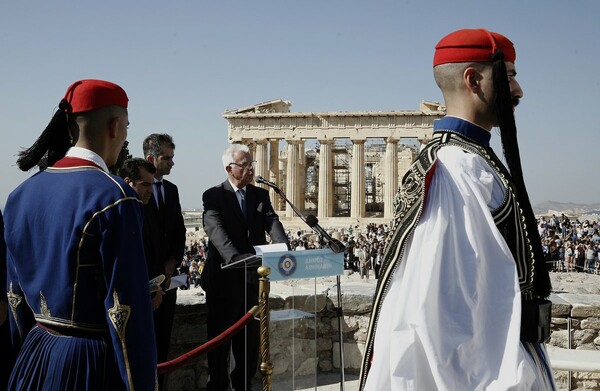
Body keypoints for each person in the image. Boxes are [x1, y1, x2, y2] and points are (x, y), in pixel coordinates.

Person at [359, 29, 555, 390]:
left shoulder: (469, 160)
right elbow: (445, 321)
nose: (519, 89)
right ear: (473, 79)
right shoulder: (456, 170)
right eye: (509, 75)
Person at [4, 79, 157, 389]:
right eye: (127, 126)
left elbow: (14, 298)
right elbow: (125, 313)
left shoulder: (20, 194)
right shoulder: (115, 198)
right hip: (89, 364)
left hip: (34, 357)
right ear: (115, 126)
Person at [201, 143, 289, 391]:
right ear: (230, 168)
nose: (251, 169)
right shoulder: (213, 196)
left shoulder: (260, 195)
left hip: (253, 283)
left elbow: (273, 223)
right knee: (218, 350)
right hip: (223, 283)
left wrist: (284, 248)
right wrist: (235, 258)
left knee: (249, 350)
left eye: (252, 164)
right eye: (245, 164)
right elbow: (216, 232)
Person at [142, 133, 186, 389]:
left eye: (172, 157)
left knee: (163, 345)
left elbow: (178, 231)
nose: (172, 163)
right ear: (151, 158)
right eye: (166, 158)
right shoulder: (132, 190)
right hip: (145, 285)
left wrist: (172, 263)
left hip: (168, 283)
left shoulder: (171, 190)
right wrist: (152, 283)